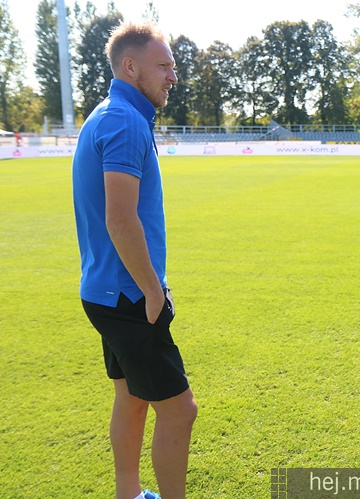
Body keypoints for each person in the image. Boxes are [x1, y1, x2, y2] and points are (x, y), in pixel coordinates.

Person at [72, 21, 197, 499]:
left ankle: (129, 493)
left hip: (105, 289)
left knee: (132, 396)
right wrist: (152, 288)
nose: (173, 75)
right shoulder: (123, 120)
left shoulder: (112, 114)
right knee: (179, 409)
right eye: (163, 65)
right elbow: (120, 219)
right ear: (131, 66)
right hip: (127, 294)